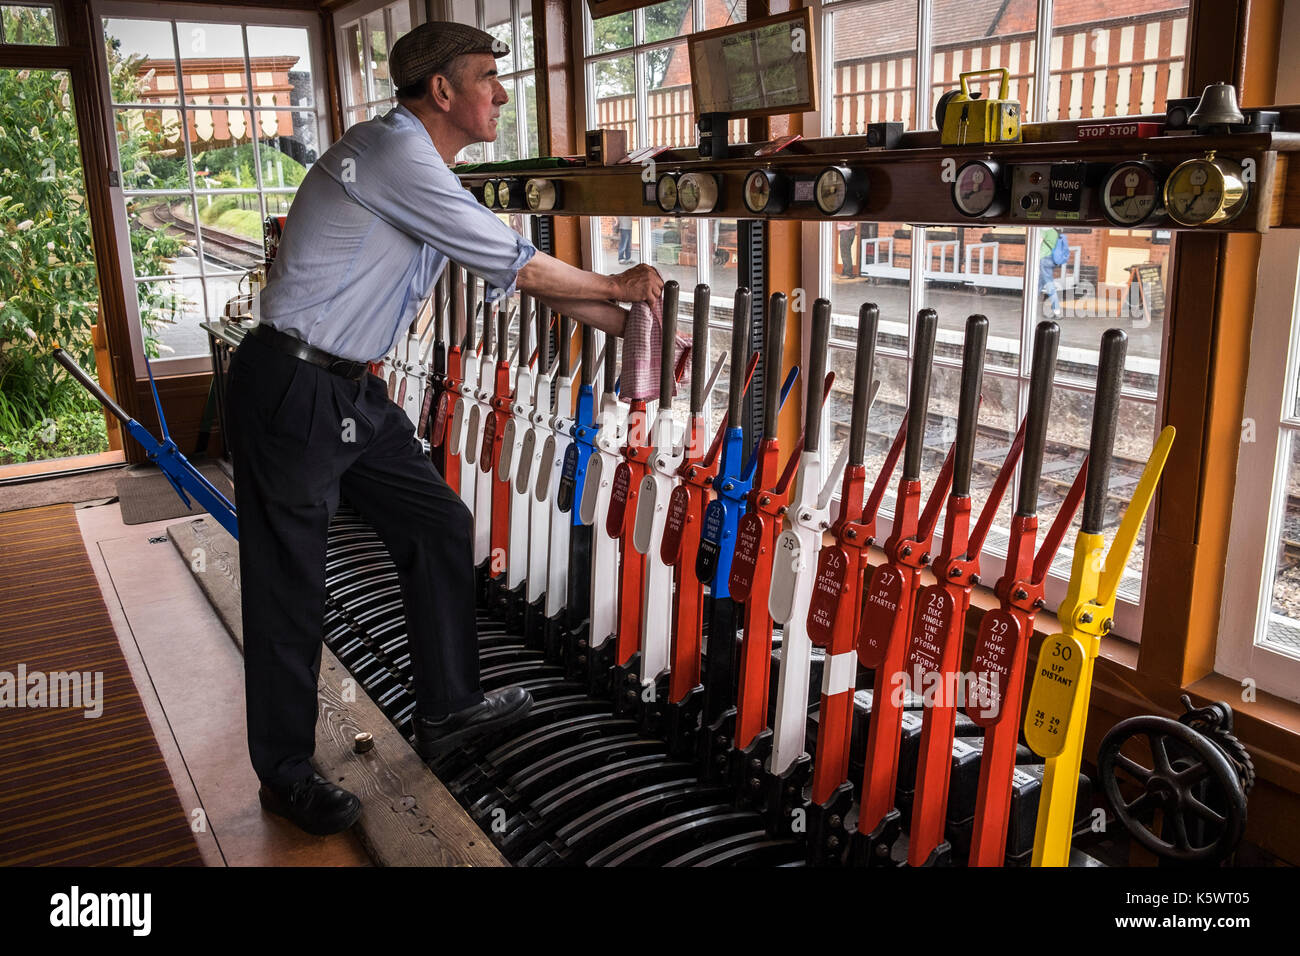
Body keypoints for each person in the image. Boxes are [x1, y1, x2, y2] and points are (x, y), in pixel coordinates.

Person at [228, 20, 664, 836]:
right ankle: (284, 773)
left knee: (437, 522)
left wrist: (634, 325)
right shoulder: (397, 156)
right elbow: (523, 263)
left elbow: (521, 276)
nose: (501, 93)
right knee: (291, 587)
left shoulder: (423, 171)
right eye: (487, 79)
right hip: (295, 388)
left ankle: (449, 708)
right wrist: (619, 279)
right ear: (442, 92)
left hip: (348, 389)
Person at [1038, 226, 1067, 317]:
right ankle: (1030, 303)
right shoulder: (1056, 232)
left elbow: (1038, 243)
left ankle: (1056, 310)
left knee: (1049, 285)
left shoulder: (1044, 229)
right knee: (1038, 284)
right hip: (1052, 260)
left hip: (1044, 259)